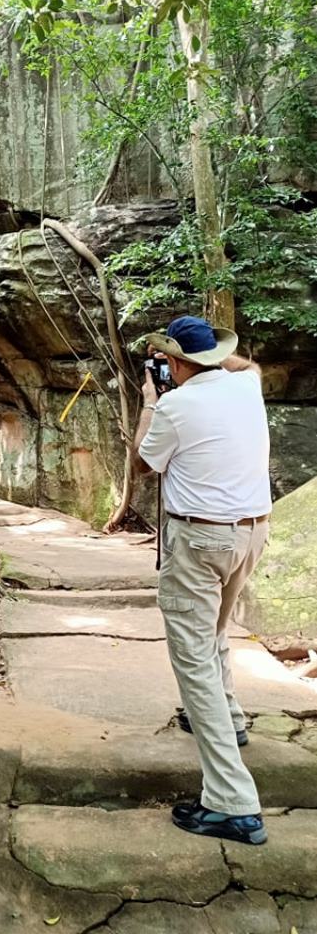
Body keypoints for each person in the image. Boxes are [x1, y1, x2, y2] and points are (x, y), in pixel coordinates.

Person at [133, 315, 271, 846]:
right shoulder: (246, 384)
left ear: (174, 362)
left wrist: (150, 399)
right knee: (213, 633)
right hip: (251, 534)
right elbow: (248, 364)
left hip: (202, 541)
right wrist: (207, 359)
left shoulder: (174, 404)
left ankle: (233, 802)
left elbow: (144, 465)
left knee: (192, 656)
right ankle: (230, 718)